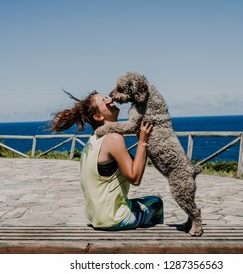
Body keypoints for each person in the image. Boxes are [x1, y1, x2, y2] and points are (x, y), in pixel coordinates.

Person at [50, 90, 164, 230]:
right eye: (103, 101)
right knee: (156, 203)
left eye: (106, 97)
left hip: (94, 217)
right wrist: (143, 142)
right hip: (114, 219)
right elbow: (135, 178)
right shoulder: (113, 138)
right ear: (98, 116)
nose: (110, 100)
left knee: (137, 204)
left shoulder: (92, 140)